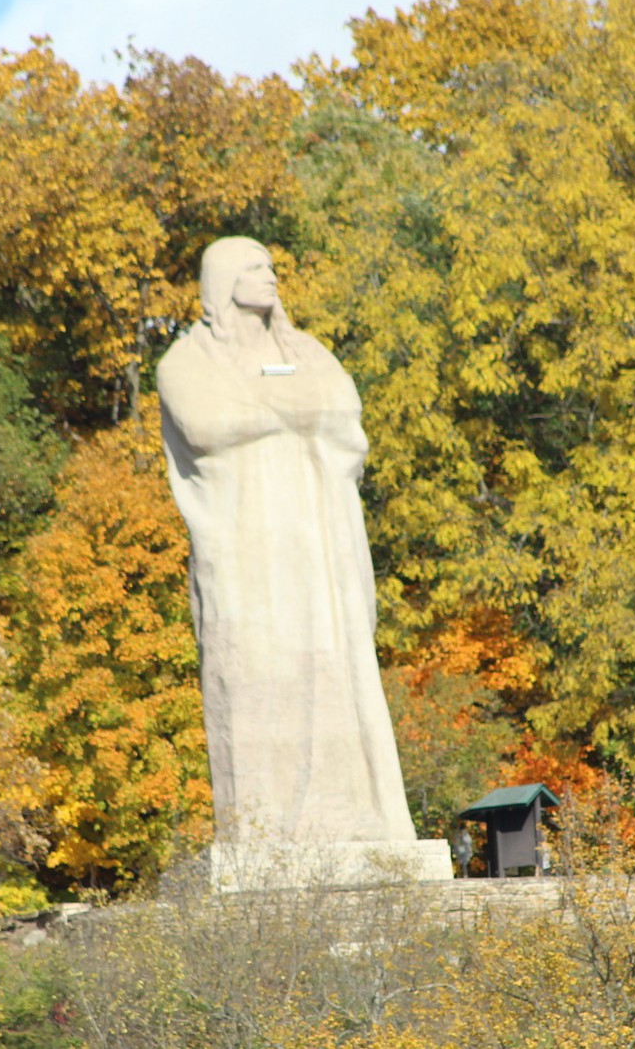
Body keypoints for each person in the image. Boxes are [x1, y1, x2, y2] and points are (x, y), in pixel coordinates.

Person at [157, 236, 416, 848]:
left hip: (318, 548)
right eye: (254, 267)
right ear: (223, 282)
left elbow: (342, 411)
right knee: (251, 675)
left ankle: (349, 817)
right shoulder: (186, 361)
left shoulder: (307, 351)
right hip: (245, 549)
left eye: (271, 265)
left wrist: (269, 407)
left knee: (330, 668)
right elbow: (207, 423)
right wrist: (293, 409)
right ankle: (264, 829)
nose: (270, 276)